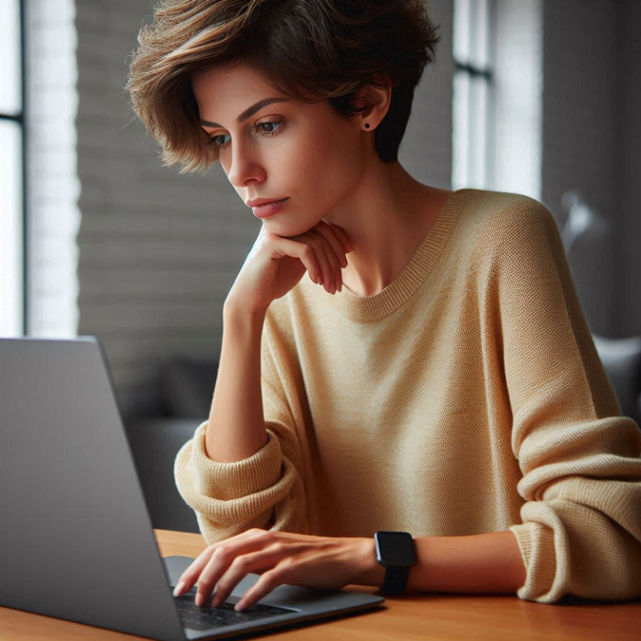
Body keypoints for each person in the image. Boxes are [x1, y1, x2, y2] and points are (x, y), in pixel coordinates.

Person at [127, 0, 641, 612]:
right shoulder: (280, 293)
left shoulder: (502, 237)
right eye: (219, 139)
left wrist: (369, 557)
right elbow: (241, 543)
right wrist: (241, 319)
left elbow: (607, 536)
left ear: (368, 104)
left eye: (267, 125)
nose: (240, 171)